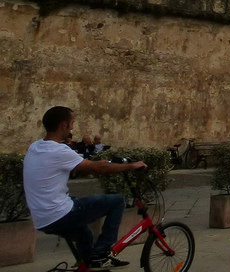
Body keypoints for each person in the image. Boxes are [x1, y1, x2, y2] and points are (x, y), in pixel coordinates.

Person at [24, 106, 146, 269]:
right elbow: (99, 168)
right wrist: (130, 166)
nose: (73, 127)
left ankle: (88, 261)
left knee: (84, 233)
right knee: (116, 201)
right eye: (72, 123)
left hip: (41, 218)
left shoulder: (35, 147)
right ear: (63, 125)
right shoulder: (60, 151)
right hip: (59, 214)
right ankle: (102, 254)